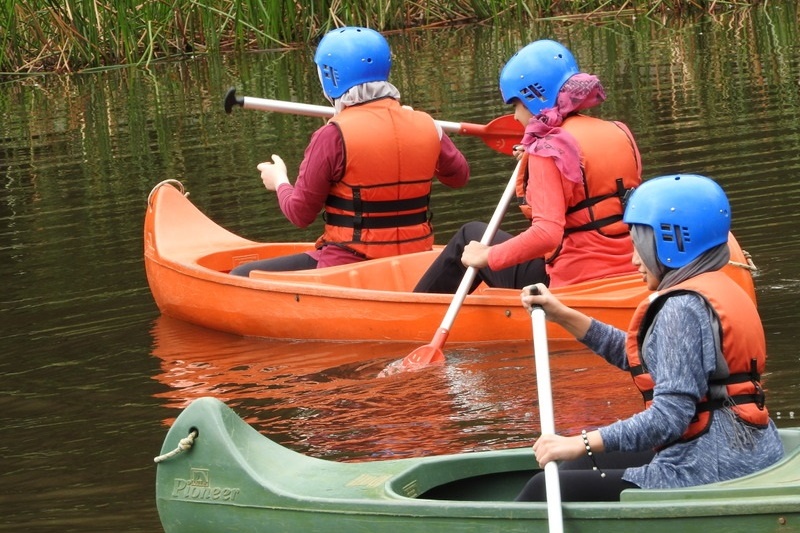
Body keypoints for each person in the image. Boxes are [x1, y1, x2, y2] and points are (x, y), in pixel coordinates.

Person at [515, 174, 783, 502]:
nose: (633, 259)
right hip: (746, 451)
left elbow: (669, 418)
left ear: (671, 241)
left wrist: (580, 441)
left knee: (542, 489)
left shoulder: (682, 308)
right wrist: (562, 315)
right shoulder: (719, 286)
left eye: (638, 245)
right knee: (572, 465)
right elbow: (645, 357)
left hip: (706, 467)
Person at [230, 26, 469, 276]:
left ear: (330, 76)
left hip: (349, 265)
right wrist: (425, 131)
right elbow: (458, 177)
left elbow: (299, 214)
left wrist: (279, 181)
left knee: (240, 275)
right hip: (416, 259)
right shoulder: (427, 124)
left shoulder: (332, 136)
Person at [414, 39, 641, 293]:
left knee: (470, 236)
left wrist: (487, 256)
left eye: (516, 105)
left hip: (574, 280)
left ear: (533, 99)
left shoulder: (547, 149)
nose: (514, 117)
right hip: (630, 268)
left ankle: (413, 314)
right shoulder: (620, 131)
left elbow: (547, 234)